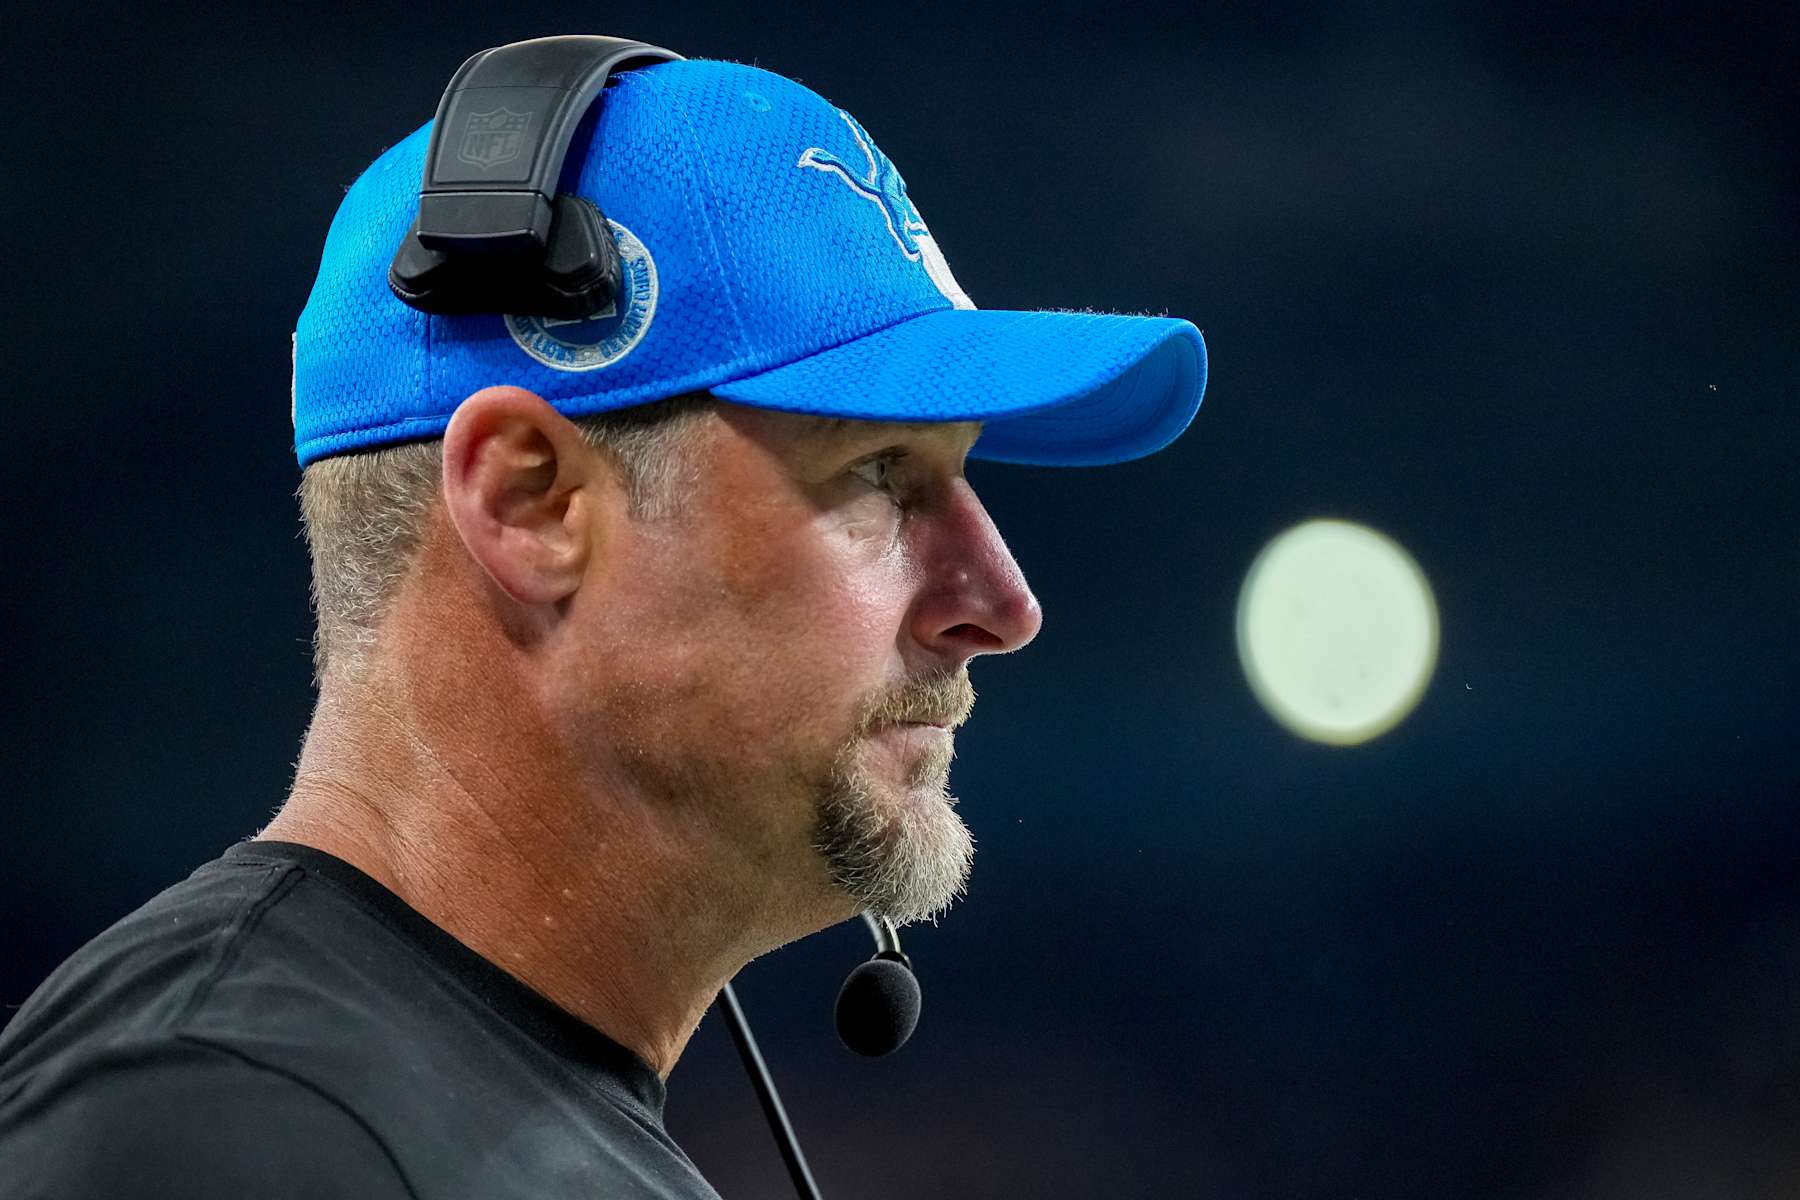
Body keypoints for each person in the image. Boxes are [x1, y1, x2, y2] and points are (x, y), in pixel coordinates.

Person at [0, 41, 1206, 1199]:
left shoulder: (390, 1111)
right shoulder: (213, 1129)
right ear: (529, 504)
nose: (1003, 605)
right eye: (881, 473)